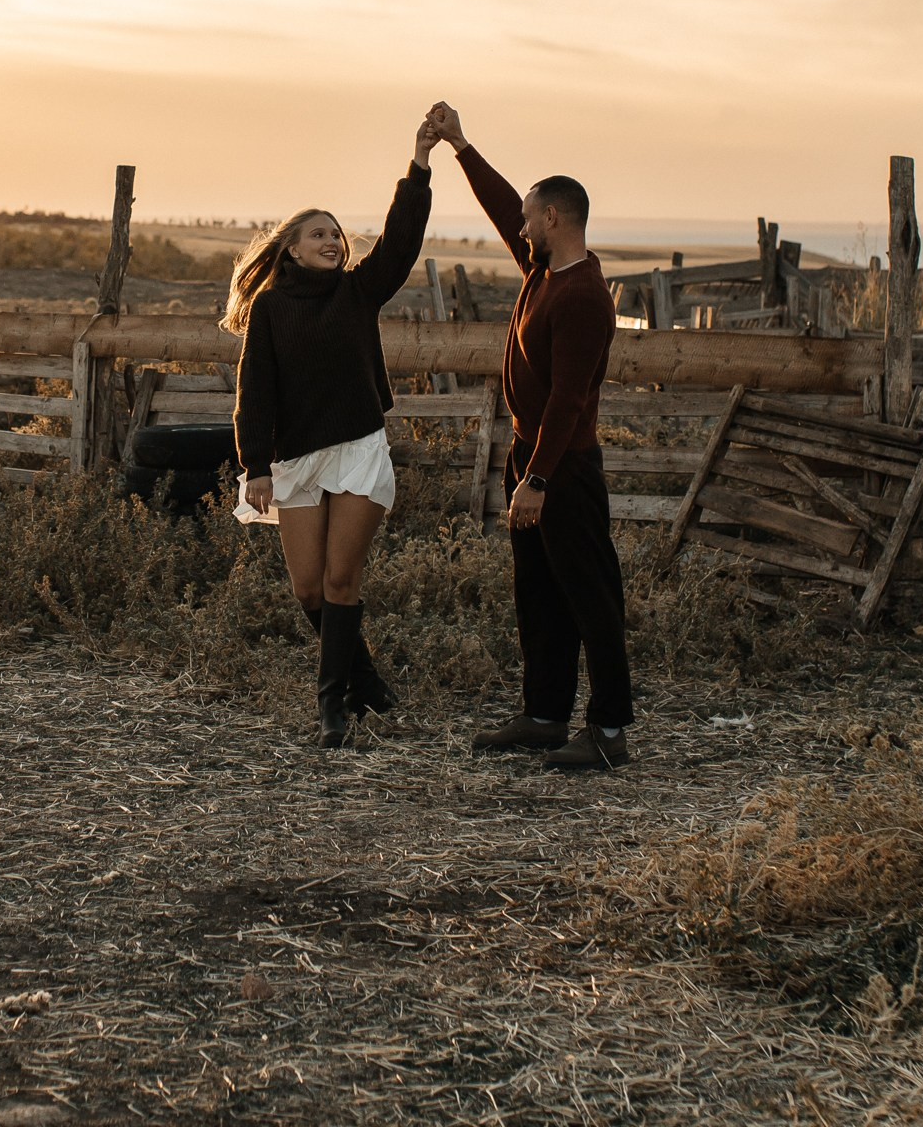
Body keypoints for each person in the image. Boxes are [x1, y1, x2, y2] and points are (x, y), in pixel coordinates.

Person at [425, 102, 632, 770]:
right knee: (538, 594)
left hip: (563, 467)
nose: (518, 224)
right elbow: (498, 205)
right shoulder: (544, 271)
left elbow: (571, 402)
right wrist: (460, 146)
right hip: (532, 459)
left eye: (528, 215)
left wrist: (537, 480)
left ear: (553, 220)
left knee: (590, 596)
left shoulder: (583, 297)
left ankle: (607, 732)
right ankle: (544, 716)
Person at [225, 117, 438, 747]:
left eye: (337, 234)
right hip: (294, 459)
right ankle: (365, 681)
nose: (334, 241)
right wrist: (254, 464)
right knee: (308, 586)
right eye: (319, 234)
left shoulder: (357, 291)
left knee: (343, 581)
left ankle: (332, 711)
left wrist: (420, 163)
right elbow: (255, 390)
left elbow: (399, 244)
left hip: (357, 449)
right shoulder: (270, 309)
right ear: (290, 249)